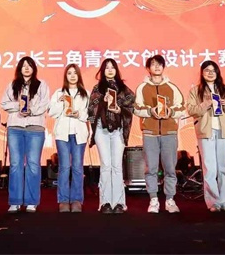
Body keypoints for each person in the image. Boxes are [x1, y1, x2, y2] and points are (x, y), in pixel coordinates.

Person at [133, 55, 186, 214]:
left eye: (159, 64)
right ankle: (153, 200)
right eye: (153, 64)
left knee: (170, 168)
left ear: (163, 67)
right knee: (151, 168)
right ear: (148, 68)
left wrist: (170, 112)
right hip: (150, 133)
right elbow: (136, 108)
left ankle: (170, 199)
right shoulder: (142, 88)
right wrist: (150, 111)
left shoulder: (172, 87)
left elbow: (182, 108)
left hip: (169, 132)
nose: (156, 67)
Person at [186, 61, 225, 213]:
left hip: (223, 131)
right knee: (209, 168)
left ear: (217, 73)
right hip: (206, 131)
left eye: (213, 70)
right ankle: (213, 202)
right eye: (207, 70)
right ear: (202, 73)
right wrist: (205, 104)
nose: (210, 73)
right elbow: (191, 110)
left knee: (224, 167)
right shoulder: (196, 91)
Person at [1, 56, 50, 213]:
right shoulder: (12, 85)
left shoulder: (41, 85)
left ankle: (31, 201)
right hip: (15, 127)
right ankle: (15, 201)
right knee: (15, 164)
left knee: (33, 164)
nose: (27, 68)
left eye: (29, 65)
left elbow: (45, 104)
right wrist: (19, 106)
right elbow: (4, 103)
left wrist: (30, 110)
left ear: (34, 68)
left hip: (35, 127)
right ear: (19, 69)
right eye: (23, 66)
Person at [87, 58, 135, 214]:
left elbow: (131, 105)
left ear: (116, 70)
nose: (109, 70)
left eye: (112, 67)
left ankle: (119, 203)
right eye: (106, 67)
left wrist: (119, 109)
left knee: (117, 165)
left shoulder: (123, 89)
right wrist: (103, 101)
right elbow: (91, 109)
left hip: (118, 130)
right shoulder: (97, 88)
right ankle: (105, 202)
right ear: (102, 71)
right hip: (101, 129)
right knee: (106, 165)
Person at [48, 64, 90, 213]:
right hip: (62, 134)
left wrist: (79, 114)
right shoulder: (58, 92)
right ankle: (64, 200)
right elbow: (51, 113)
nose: (72, 76)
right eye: (69, 73)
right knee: (64, 167)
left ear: (79, 75)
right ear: (65, 76)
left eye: (75, 73)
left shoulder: (85, 93)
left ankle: (77, 200)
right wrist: (60, 103)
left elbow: (90, 114)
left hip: (79, 133)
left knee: (77, 167)